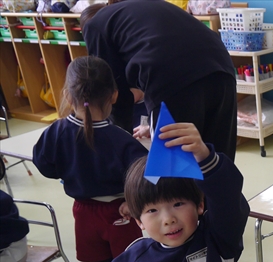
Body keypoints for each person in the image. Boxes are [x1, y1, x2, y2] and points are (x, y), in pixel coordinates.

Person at [14, 123, 254, 262]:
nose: (168, 219)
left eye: (178, 204)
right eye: (152, 211)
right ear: (138, 221)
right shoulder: (136, 259)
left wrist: (205, 158)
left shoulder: (218, 237)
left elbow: (229, 199)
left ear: (200, 205)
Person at [32, 56, 148, 262]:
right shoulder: (121, 139)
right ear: (114, 95)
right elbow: (146, 175)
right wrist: (132, 202)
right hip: (120, 212)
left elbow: (44, 164)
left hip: (83, 212)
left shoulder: (56, 131)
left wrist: (70, 172)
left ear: (67, 95)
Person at [79, 0, 238, 160]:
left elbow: (115, 94)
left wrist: (121, 143)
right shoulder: (140, 10)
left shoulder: (95, 26)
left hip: (173, 76)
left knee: (173, 164)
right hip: (221, 65)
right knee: (217, 159)